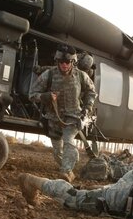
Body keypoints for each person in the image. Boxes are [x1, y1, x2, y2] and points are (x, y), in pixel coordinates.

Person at [29, 44, 97, 182]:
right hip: (54, 119)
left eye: (67, 62)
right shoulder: (48, 75)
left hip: (73, 118)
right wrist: (45, 96)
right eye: (61, 62)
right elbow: (32, 94)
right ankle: (70, 164)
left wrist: (87, 108)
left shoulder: (81, 76)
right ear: (57, 61)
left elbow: (91, 92)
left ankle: (66, 173)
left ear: (73, 62)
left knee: (68, 142)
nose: (64, 65)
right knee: (57, 152)